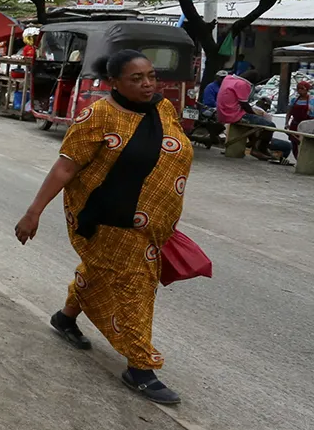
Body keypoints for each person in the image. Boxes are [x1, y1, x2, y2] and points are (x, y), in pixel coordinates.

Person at [15, 50, 193, 405]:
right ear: (114, 82)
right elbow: (65, 167)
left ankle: (65, 318)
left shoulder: (162, 108)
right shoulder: (97, 115)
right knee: (135, 286)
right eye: (136, 79)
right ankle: (140, 367)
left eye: (151, 76)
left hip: (151, 222)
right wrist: (33, 212)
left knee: (99, 272)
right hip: (109, 218)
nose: (147, 84)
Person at [217, 70, 288, 161]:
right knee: (270, 125)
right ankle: (260, 149)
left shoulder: (228, 78)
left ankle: (254, 147)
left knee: (254, 124)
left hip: (222, 112)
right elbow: (244, 104)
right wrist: (254, 113)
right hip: (234, 114)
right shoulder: (243, 84)